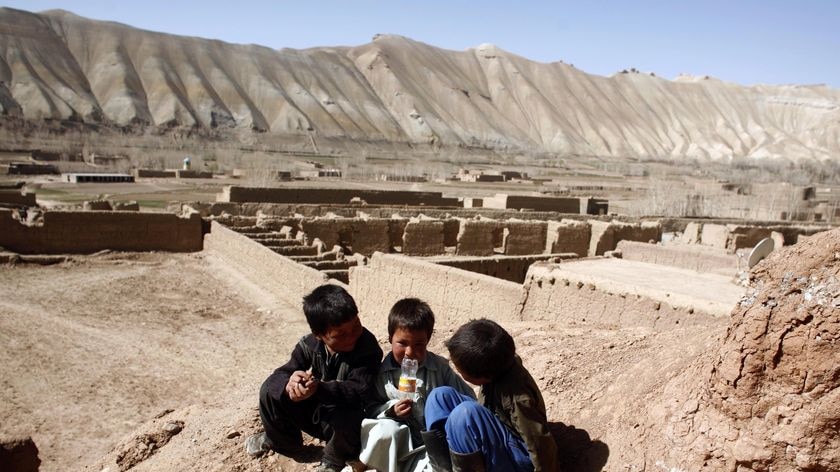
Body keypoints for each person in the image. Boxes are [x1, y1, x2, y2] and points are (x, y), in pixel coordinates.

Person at [247, 284, 383, 472]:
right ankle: (280, 441)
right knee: (270, 388)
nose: (352, 336)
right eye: (341, 334)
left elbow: (357, 391)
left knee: (352, 414)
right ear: (319, 335)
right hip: (316, 412)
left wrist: (318, 389)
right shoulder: (308, 345)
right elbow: (283, 372)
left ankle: (333, 460)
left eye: (356, 325)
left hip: (343, 422)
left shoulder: (367, 348)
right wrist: (291, 385)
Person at [424, 318, 558, 472]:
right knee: (439, 397)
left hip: (517, 460)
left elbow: (540, 444)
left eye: (460, 370)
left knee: (464, 415)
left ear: (482, 378)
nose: (457, 370)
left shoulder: (517, 399)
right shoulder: (496, 363)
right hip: (501, 434)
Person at [358, 298, 475, 472]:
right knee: (383, 431)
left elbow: (467, 400)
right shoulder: (382, 373)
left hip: (430, 448)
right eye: (402, 343)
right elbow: (370, 407)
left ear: (428, 339)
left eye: (419, 344)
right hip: (398, 445)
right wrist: (391, 410)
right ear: (390, 338)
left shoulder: (440, 369)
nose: (410, 352)